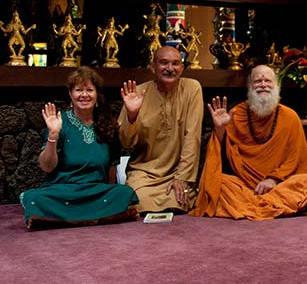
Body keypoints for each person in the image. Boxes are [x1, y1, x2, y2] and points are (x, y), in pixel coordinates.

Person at [190, 64, 307, 220]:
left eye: (268, 81)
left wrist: (273, 179)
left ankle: (249, 206)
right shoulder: (236, 114)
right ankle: (269, 206)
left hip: (278, 185)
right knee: (218, 182)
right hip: (245, 185)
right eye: (257, 81)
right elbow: (222, 156)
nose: (263, 85)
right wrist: (220, 129)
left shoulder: (290, 117)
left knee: (304, 181)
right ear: (250, 86)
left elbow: (296, 160)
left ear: (276, 85)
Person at [19, 66, 138, 229]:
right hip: (64, 191)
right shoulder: (59, 123)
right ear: (70, 94)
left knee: (123, 193)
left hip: (95, 190)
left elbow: (112, 166)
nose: (84, 95)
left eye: (89, 90)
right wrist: (53, 135)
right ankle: (99, 218)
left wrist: (109, 192)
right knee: (34, 197)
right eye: (78, 90)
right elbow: (47, 167)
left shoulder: (108, 124)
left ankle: (62, 220)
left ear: (97, 94)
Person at [119, 45, 203, 214]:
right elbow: (126, 143)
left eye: (175, 63)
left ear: (182, 68)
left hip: (176, 173)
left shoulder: (192, 88)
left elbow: (192, 136)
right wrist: (132, 115)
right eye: (164, 63)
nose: (170, 68)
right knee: (136, 200)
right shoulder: (138, 92)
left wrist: (182, 177)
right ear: (152, 67)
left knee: (180, 200)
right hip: (144, 174)